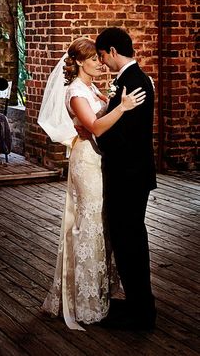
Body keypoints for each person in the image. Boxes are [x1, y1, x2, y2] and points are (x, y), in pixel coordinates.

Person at [38, 37, 146, 330]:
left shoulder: (92, 88)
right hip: (86, 162)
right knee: (89, 223)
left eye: (100, 58)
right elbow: (96, 126)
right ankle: (85, 299)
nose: (100, 63)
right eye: (95, 59)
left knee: (102, 223)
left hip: (100, 160)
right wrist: (121, 107)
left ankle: (102, 291)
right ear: (81, 62)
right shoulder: (75, 92)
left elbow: (96, 122)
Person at [95, 27, 157, 330]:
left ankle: (141, 313)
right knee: (128, 239)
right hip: (133, 174)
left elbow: (125, 136)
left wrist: (100, 142)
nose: (103, 63)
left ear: (112, 51)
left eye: (103, 57)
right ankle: (137, 304)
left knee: (129, 240)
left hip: (128, 176)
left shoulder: (131, 84)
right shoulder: (136, 79)